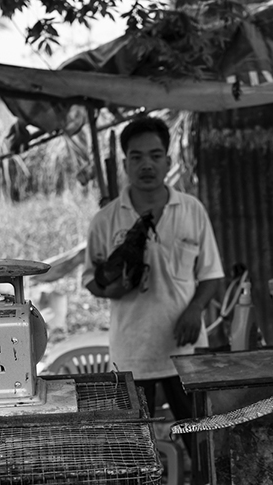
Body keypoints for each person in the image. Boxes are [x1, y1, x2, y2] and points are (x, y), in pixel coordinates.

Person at [83, 115, 224, 437]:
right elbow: (91, 278)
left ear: (168, 160)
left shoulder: (192, 210)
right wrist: (111, 289)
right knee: (134, 446)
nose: (146, 164)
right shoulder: (105, 220)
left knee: (201, 440)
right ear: (125, 163)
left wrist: (195, 309)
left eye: (155, 155)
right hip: (132, 352)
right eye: (137, 157)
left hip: (185, 350)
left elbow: (212, 274)